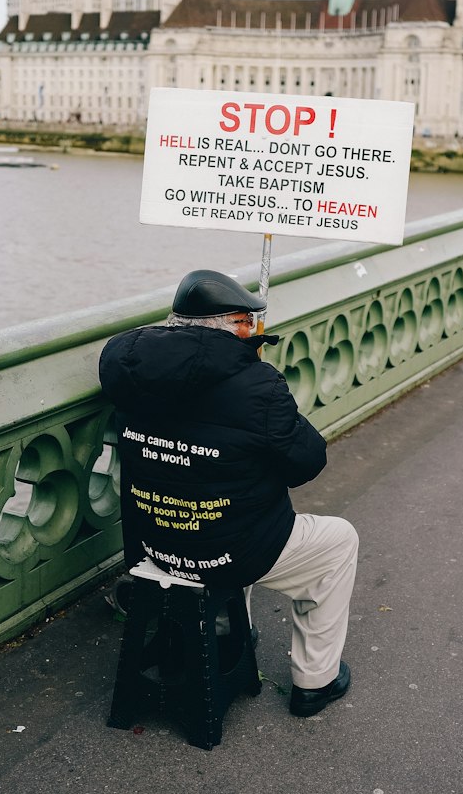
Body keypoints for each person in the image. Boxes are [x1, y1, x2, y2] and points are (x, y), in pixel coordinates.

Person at [99, 268, 358, 719]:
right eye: (250, 323)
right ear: (237, 326)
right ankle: (315, 683)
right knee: (337, 541)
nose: (254, 332)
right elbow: (307, 462)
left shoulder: (130, 372)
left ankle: (227, 630)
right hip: (226, 550)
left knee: (226, 507)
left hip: (153, 543)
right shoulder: (257, 384)